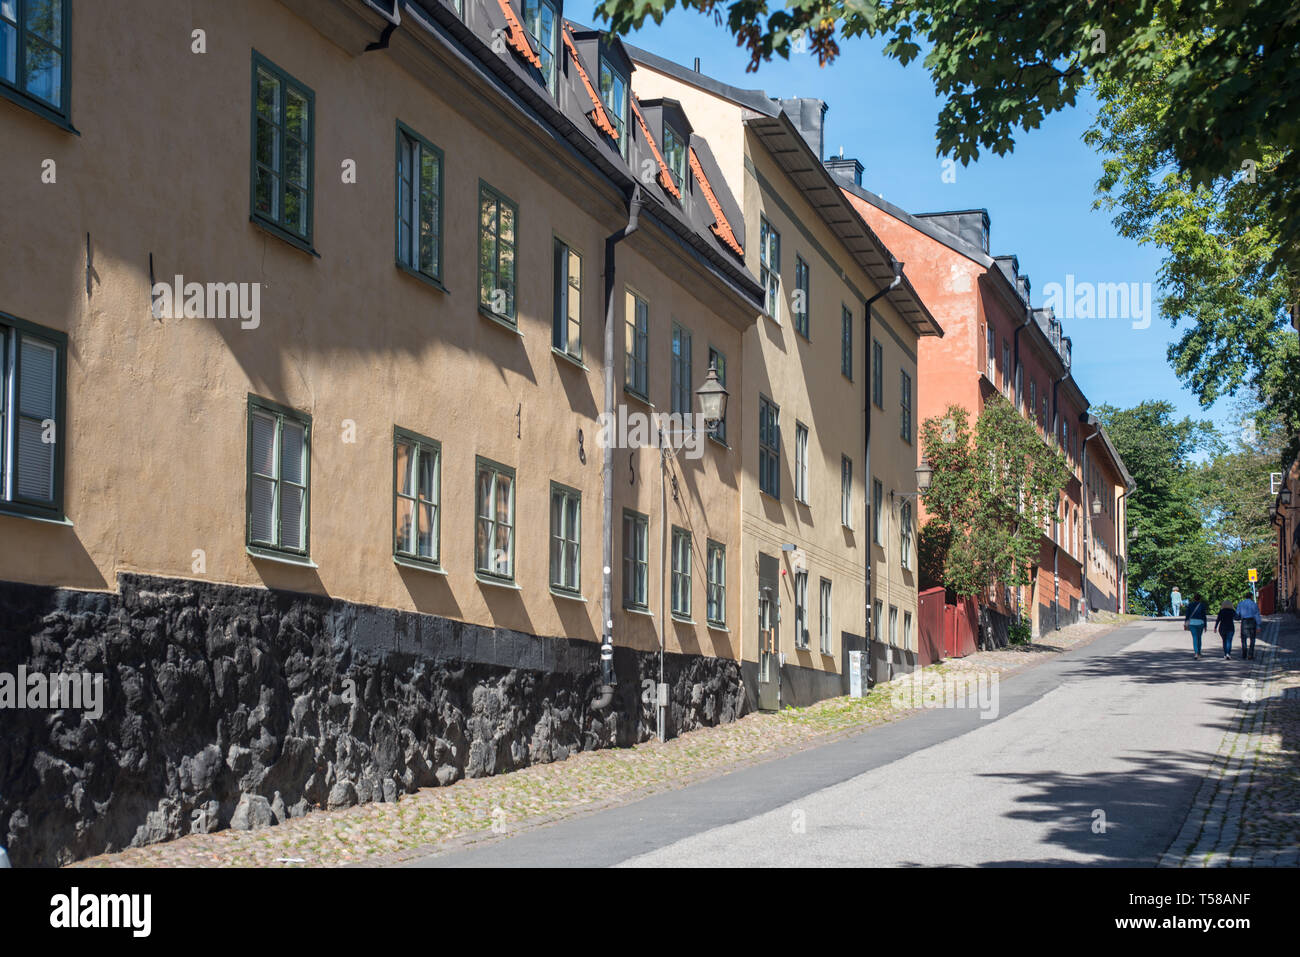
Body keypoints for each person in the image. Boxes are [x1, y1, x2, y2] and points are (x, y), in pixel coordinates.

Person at [1236, 593, 1262, 660]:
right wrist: (1258, 625)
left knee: (1244, 638)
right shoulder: (1254, 604)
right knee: (1252, 639)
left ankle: (1244, 653)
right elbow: (1257, 615)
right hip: (1252, 621)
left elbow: (1237, 613)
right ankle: (1250, 654)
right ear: (1251, 597)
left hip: (1244, 621)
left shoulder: (1241, 603)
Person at [1184, 593, 1208, 659]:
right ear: (1200, 599)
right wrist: (1205, 625)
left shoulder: (1190, 605)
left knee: (1194, 638)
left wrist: (1185, 623)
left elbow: (1187, 615)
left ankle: (1196, 653)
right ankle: (1199, 652)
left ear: (1194, 598)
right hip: (1200, 623)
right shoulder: (1202, 605)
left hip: (1192, 623)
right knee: (1199, 638)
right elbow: (1204, 616)